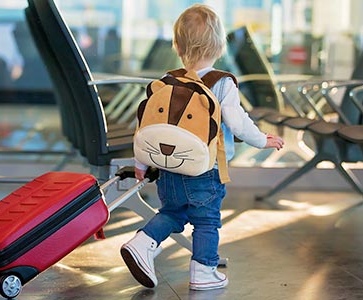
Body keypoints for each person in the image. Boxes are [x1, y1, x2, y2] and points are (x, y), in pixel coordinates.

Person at [120, 4, 285, 291]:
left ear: (177, 45)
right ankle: (204, 271)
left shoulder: (165, 82)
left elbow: (146, 127)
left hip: (168, 168)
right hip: (204, 171)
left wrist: (141, 164)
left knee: (172, 213)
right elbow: (238, 122)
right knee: (207, 222)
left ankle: (142, 241)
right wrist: (262, 140)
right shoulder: (222, 84)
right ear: (219, 45)